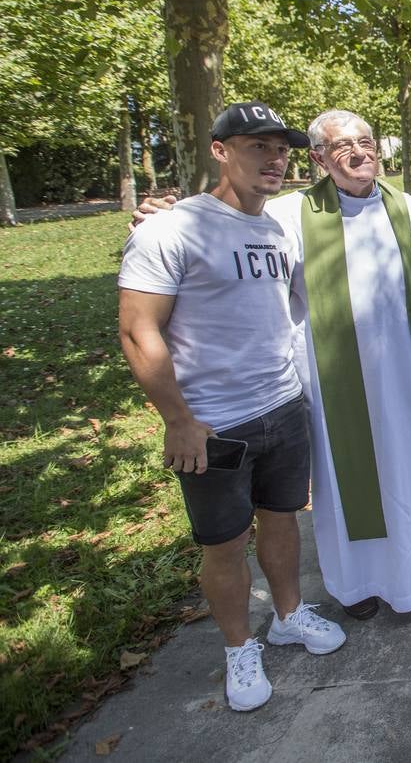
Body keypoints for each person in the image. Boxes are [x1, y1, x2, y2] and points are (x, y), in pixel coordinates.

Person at [134, 110, 411, 623]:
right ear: (317, 159)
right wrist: (168, 212)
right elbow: (228, 228)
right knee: (341, 479)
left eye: (366, 141)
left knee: (406, 471)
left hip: (400, 370)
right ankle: (355, 582)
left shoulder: (409, 211)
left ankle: (410, 573)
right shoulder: (290, 215)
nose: (359, 153)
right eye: (342, 146)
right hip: (327, 378)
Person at [119, 101, 347, 713]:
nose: (274, 160)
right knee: (222, 545)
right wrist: (179, 422)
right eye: (257, 147)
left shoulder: (277, 228)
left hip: (282, 402)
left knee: (281, 519)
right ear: (219, 151)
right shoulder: (171, 229)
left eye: (281, 150)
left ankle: (289, 615)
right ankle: (237, 647)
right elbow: (139, 331)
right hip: (214, 424)